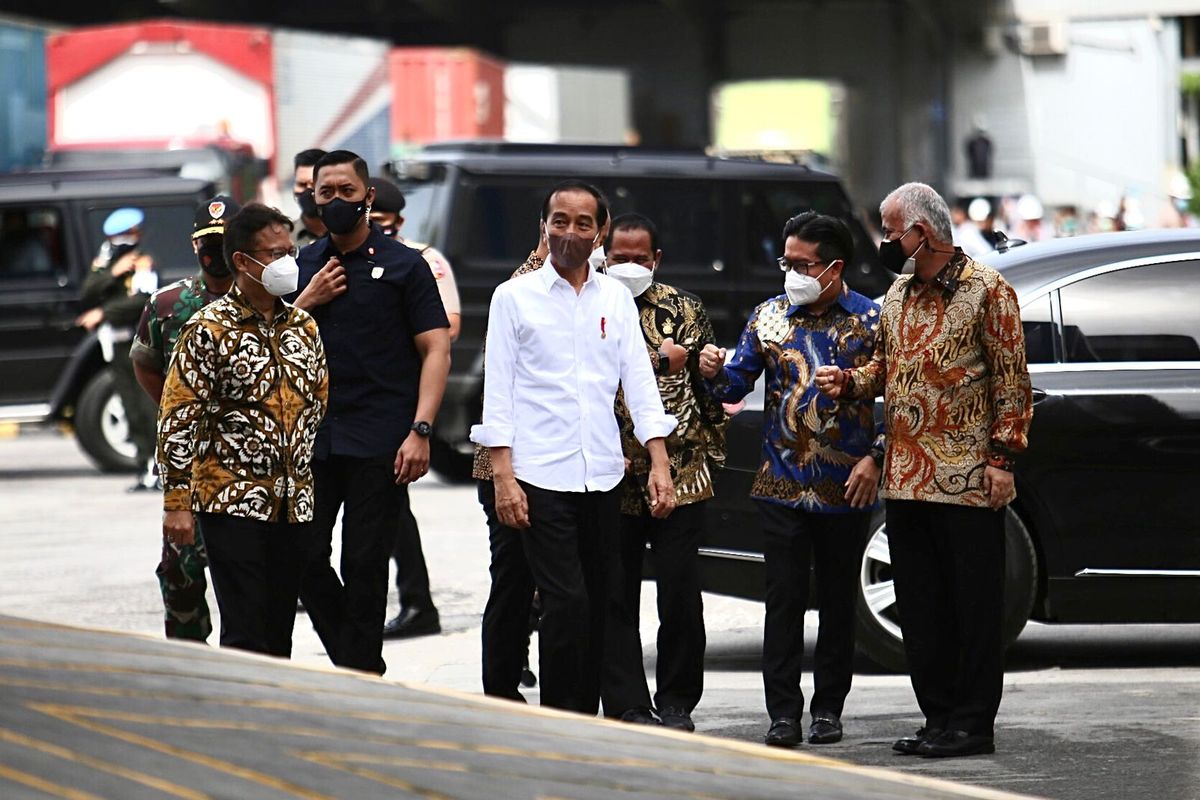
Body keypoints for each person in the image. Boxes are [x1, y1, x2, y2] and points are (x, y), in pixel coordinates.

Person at [815, 182, 1033, 758]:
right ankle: (938, 718)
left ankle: (971, 723)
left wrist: (1003, 459)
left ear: (923, 232)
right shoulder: (898, 295)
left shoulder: (989, 291)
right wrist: (851, 381)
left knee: (973, 607)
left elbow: (1012, 382)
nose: (886, 240)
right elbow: (887, 368)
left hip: (966, 480)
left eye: (890, 230)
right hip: (907, 479)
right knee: (920, 607)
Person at [470, 180, 678, 714]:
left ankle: (593, 715)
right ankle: (564, 718)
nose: (569, 232)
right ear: (544, 227)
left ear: (600, 231)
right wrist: (504, 477)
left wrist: (659, 461)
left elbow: (639, 382)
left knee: (606, 598)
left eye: (583, 223)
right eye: (559, 221)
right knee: (565, 602)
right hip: (539, 475)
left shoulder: (615, 299)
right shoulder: (512, 297)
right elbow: (499, 392)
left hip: (602, 472)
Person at [698, 212, 882, 749]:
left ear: (833, 267)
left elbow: (898, 400)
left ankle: (829, 708)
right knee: (782, 602)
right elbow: (735, 384)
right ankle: (782, 713)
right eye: (787, 262)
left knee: (838, 602)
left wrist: (875, 457)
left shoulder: (871, 321)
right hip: (779, 483)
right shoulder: (769, 318)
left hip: (846, 486)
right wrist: (711, 372)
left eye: (802, 264)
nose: (792, 273)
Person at [292, 150, 451, 674]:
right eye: (325, 193)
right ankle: (357, 659)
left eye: (346, 191)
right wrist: (306, 301)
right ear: (313, 199)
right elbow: (272, 345)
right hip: (313, 440)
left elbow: (436, 350)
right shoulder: (301, 267)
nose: (336, 201)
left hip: (381, 440)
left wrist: (421, 430)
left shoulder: (407, 266)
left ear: (368, 197)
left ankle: (359, 673)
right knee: (303, 555)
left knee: (363, 562)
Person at [157, 203, 327, 658]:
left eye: (289, 251)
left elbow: (317, 404)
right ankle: (242, 720)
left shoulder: (304, 327)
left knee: (279, 631)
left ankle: (272, 720)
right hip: (230, 502)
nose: (287, 262)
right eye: (273, 254)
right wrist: (177, 504)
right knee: (245, 631)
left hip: (292, 504)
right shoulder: (206, 330)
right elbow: (177, 419)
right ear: (241, 262)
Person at [600, 213, 726, 732]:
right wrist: (660, 361)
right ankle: (627, 700)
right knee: (615, 590)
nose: (628, 266)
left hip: (682, 471)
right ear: (602, 257)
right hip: (610, 474)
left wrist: (706, 367)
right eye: (618, 257)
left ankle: (677, 701)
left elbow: (704, 383)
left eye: (638, 258)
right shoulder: (591, 307)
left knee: (679, 592)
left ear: (656, 260)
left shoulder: (684, 308)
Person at [130, 194, 240, 642]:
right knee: (181, 571)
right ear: (195, 246)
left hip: (248, 461)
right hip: (191, 462)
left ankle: (250, 656)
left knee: (247, 574)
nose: (215, 252)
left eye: (225, 241)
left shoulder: (270, 302)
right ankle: (189, 658)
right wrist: (178, 409)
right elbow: (144, 362)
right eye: (207, 243)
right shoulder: (168, 304)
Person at [368, 176, 459, 640]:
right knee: (389, 504)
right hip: (366, 398)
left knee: (391, 501)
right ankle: (414, 601)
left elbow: (450, 327)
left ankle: (417, 603)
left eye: (381, 222)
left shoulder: (423, 260)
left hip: (406, 395)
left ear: (399, 222)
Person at [77, 207, 160, 491]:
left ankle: (157, 466)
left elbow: (143, 300)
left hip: (137, 340)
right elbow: (87, 289)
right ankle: (144, 463)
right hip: (114, 342)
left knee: (146, 405)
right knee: (129, 406)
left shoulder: (144, 260)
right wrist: (112, 272)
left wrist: (103, 312)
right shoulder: (109, 258)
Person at [291, 149, 328, 248]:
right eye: (301, 184)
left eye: (314, 184)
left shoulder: (351, 235)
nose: (308, 191)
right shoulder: (283, 237)